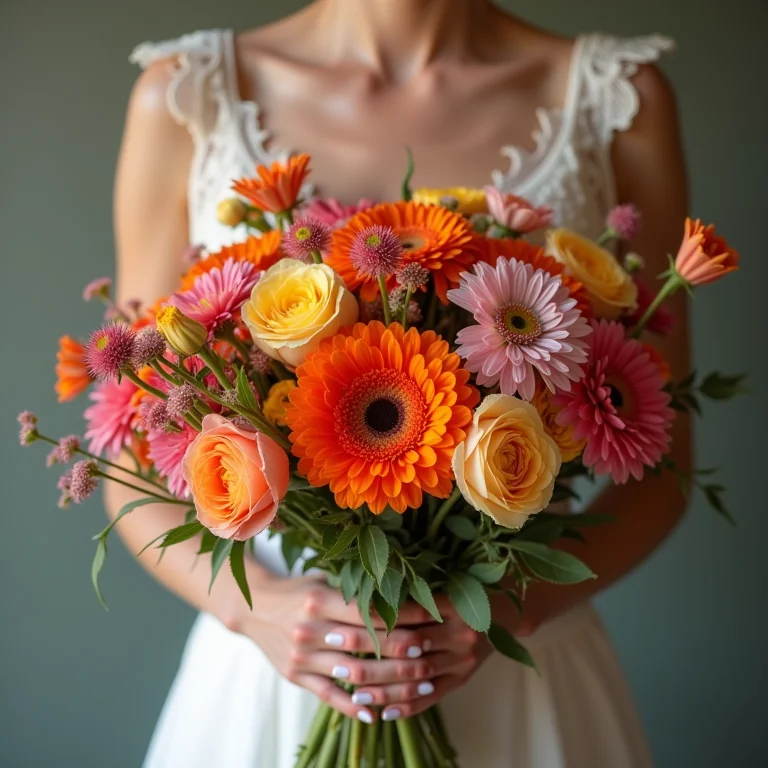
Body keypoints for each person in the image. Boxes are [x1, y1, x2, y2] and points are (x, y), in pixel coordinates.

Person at [111, 1, 691, 765]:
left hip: (515, 656)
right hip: (284, 663)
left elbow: (665, 451)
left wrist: (515, 603)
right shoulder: (185, 94)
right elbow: (130, 436)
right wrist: (259, 610)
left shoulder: (619, 99)